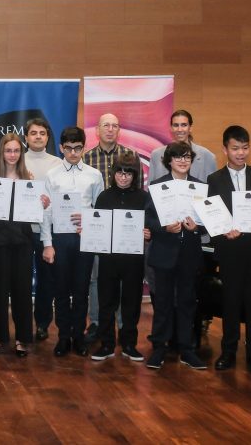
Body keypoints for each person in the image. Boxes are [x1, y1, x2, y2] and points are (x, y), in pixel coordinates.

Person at [207, 126, 251, 377]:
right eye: (235, 148)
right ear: (225, 149)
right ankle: (228, 352)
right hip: (231, 251)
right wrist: (223, 229)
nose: (241, 153)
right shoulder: (214, 180)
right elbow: (212, 216)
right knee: (231, 301)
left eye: (245, 148)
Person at [0, 133, 48, 357]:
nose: (12, 155)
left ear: (21, 153)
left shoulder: (28, 177)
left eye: (16, 151)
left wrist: (42, 203)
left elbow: (35, 212)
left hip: (22, 240)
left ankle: (22, 338)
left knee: (21, 290)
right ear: (2, 153)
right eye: (8, 151)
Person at [42, 126, 104, 357]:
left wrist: (90, 222)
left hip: (84, 237)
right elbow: (46, 212)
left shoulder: (94, 175)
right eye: (68, 148)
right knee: (60, 291)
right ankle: (63, 336)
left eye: (78, 148)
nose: (73, 153)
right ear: (61, 148)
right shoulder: (52, 175)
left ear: (84, 147)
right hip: (60, 238)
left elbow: (100, 210)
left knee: (81, 290)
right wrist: (47, 243)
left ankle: (78, 336)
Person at [145, 142, 207, 370]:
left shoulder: (200, 187)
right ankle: (159, 348)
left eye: (187, 157)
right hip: (164, 254)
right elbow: (149, 219)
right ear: (168, 160)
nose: (183, 161)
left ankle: (187, 349)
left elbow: (207, 224)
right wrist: (164, 228)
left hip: (189, 254)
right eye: (178, 157)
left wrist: (197, 228)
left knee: (187, 302)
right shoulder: (156, 186)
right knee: (162, 303)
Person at [86, 152, 151, 363]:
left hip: (133, 260)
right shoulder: (104, 196)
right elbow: (97, 226)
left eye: (128, 174)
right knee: (106, 302)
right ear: (113, 173)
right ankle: (106, 344)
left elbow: (150, 226)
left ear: (135, 175)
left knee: (131, 302)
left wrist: (148, 232)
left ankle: (129, 344)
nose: (123, 177)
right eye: (120, 173)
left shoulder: (143, 198)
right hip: (108, 259)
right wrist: (89, 231)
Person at [82, 113, 141, 343]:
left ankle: (122, 326)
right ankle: (97, 323)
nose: (110, 129)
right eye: (105, 125)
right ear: (97, 129)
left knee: (126, 282)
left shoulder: (130, 156)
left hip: (127, 232)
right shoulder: (87, 158)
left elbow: (138, 191)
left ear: (119, 130)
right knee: (99, 279)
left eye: (114, 126)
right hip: (100, 230)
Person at [24, 118, 62, 342]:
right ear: (26, 137)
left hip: (47, 231)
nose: (38, 137)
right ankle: (23, 323)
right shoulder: (17, 160)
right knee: (22, 278)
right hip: (22, 231)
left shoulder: (58, 163)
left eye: (42, 133)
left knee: (47, 281)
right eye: (33, 133)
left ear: (48, 137)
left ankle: (42, 323)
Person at [148, 110, 217, 183]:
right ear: (171, 128)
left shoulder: (207, 156)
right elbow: (151, 187)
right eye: (176, 125)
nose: (179, 130)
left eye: (184, 125)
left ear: (190, 128)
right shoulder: (157, 155)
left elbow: (212, 188)